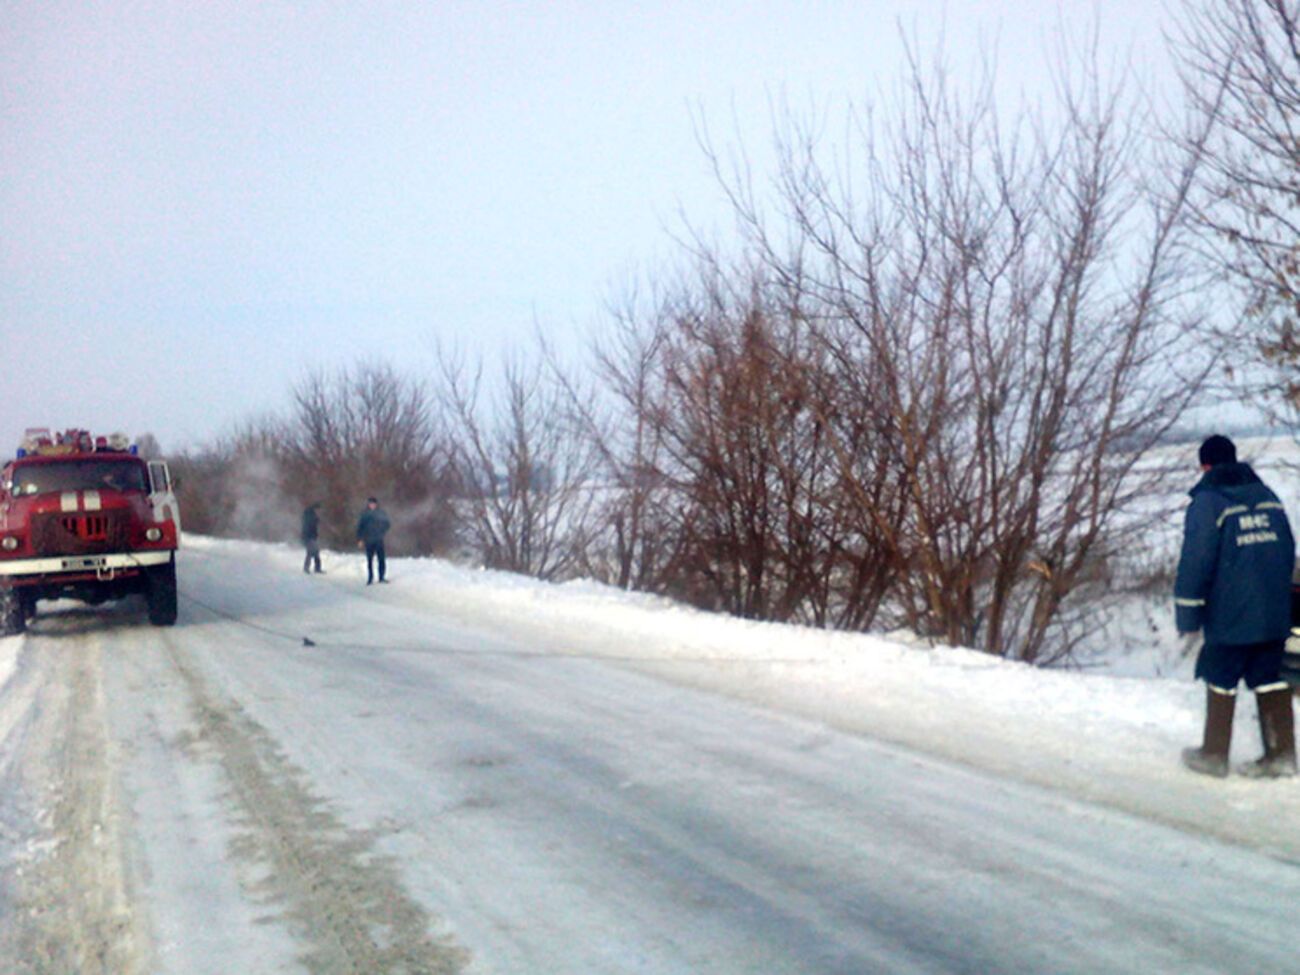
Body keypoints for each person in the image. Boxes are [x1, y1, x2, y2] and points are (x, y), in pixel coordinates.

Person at [1176, 434, 1297, 778]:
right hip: (1274, 611)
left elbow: (1196, 561)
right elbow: (1288, 549)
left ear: (1205, 465)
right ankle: (1281, 755)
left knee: (1221, 675)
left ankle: (1213, 755)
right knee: (1270, 676)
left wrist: (1188, 613)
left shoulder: (1208, 502)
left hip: (1231, 615)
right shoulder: (1268, 496)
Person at [356, 496, 391, 585]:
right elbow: (360, 527)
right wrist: (360, 539)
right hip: (368, 540)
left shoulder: (381, 513)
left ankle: (381, 577)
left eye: (374, 504)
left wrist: (382, 531)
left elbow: (387, 524)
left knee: (381, 559)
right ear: (368, 504)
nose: (372, 505)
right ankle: (370, 578)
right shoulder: (365, 514)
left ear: (376, 504)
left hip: (379, 539)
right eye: (370, 504)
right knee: (370, 560)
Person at [301, 502, 324, 574]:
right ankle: (308, 568)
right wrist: (316, 520)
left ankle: (316, 568)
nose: (320, 512)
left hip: (311, 537)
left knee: (315, 552)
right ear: (315, 509)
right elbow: (309, 526)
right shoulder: (310, 515)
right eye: (319, 510)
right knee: (310, 552)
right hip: (308, 537)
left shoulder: (311, 515)